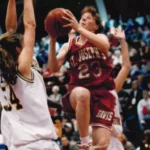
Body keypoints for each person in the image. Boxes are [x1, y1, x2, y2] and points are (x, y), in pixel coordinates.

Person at [48, 6, 116, 150]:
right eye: (82, 17)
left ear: (96, 25)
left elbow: (105, 45)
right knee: (83, 94)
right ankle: (84, 142)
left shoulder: (100, 38)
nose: (84, 19)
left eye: (88, 18)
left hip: (101, 94)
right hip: (78, 92)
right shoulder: (69, 45)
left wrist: (78, 28)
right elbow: (53, 68)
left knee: (102, 145)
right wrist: (53, 40)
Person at [0, 0, 60, 150]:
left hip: (18, 144)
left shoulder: (4, 71)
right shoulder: (23, 69)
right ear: (19, 49)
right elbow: (30, 25)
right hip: (39, 143)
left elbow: (10, 30)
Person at [107, 29, 131, 149]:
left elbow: (126, 66)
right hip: (101, 139)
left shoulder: (113, 88)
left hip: (116, 140)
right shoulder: (90, 91)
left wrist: (122, 41)